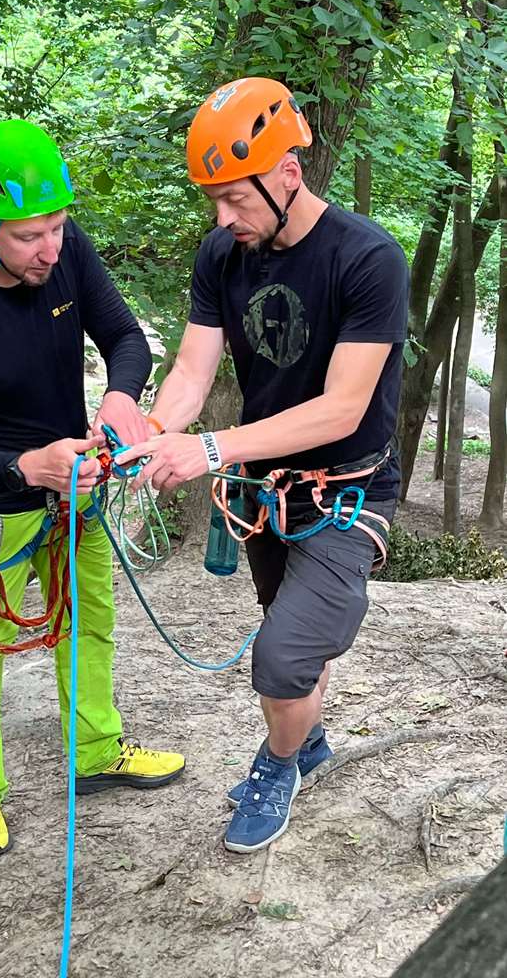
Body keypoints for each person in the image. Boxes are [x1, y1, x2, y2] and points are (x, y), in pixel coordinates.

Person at [117, 77, 409, 854]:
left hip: (349, 491)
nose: (222, 217)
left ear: (287, 173)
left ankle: (278, 762)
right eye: (212, 199)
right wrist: (146, 434)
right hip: (265, 490)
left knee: (280, 659)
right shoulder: (222, 254)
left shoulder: (367, 259)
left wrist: (209, 449)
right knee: (288, 635)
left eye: (234, 197)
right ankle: (306, 741)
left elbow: (343, 407)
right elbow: (191, 369)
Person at [0, 119, 185, 860]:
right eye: (29, 235)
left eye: (57, 226)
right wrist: (30, 467)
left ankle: (95, 752)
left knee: (90, 624)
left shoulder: (68, 255)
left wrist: (123, 396)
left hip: (74, 489)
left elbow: (124, 337)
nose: (50, 249)